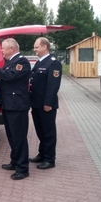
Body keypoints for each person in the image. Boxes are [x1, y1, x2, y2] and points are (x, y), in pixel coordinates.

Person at [0, 38, 31, 180]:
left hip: (17, 105)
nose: (1, 51)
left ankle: (23, 168)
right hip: (8, 104)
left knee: (19, 137)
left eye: (3, 48)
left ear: (11, 49)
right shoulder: (10, 62)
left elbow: (10, 76)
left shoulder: (21, 61)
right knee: (12, 136)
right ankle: (15, 161)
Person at [29, 37, 62, 169]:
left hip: (46, 105)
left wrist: (48, 103)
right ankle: (42, 154)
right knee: (40, 131)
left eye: (36, 47)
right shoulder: (39, 63)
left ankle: (50, 159)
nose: (35, 49)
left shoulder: (53, 63)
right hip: (36, 104)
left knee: (48, 132)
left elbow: (53, 86)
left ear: (44, 47)